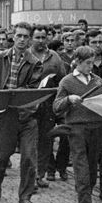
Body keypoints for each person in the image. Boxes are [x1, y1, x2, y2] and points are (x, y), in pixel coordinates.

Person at [53, 46, 102, 203]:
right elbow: (56, 107)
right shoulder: (67, 82)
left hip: (96, 129)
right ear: (78, 62)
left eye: (92, 62)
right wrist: (69, 99)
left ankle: (85, 196)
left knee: (90, 172)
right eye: (88, 63)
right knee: (81, 170)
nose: (91, 66)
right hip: (77, 130)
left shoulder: (98, 81)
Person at [0, 22, 42, 203]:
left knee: (29, 158)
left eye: (25, 36)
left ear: (29, 39)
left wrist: (16, 94)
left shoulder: (35, 63)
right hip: (6, 115)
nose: (22, 39)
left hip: (27, 116)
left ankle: (25, 196)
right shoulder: (1, 57)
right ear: (13, 37)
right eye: (19, 36)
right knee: (2, 155)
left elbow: (33, 88)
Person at [29, 25, 66, 188]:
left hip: (48, 105)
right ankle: (30, 175)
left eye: (43, 37)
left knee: (45, 141)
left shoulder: (55, 57)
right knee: (30, 141)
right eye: (37, 37)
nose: (41, 41)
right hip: (29, 105)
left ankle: (39, 174)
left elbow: (62, 80)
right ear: (32, 38)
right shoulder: (25, 55)